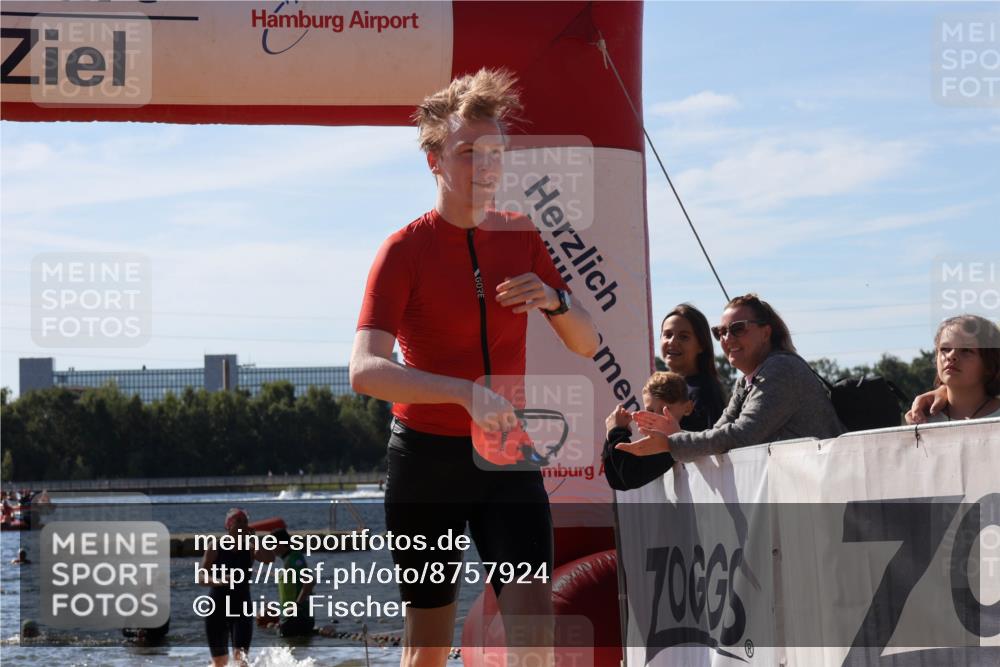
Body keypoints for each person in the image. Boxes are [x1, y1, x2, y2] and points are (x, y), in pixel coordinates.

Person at [350, 68, 599, 667]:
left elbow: (587, 343)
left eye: (494, 153)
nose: (485, 166)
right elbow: (365, 369)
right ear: (434, 160)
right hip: (426, 463)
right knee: (429, 649)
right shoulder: (403, 250)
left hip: (506, 456)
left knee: (535, 640)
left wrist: (554, 299)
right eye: (468, 153)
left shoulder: (521, 236)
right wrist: (464, 393)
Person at [619, 294, 843, 461]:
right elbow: (717, 434)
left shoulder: (782, 368)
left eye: (737, 329)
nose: (727, 338)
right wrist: (674, 435)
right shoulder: (744, 381)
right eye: (721, 332)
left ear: (766, 333)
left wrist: (671, 442)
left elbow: (742, 435)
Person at [198, 508, 273, 667]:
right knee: (220, 661)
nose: (243, 525)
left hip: (241, 607)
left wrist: (255, 540)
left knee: (241, 659)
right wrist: (220, 581)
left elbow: (269, 559)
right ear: (228, 525)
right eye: (238, 521)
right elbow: (201, 577)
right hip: (217, 608)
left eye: (245, 522)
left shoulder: (250, 547)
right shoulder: (215, 546)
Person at [603, 372, 691, 490]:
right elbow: (617, 481)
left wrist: (616, 432)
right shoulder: (660, 441)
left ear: (687, 408)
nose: (656, 416)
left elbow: (631, 477)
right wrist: (610, 436)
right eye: (650, 410)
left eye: (665, 409)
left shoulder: (676, 441)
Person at [905, 315, 1000, 423]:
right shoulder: (923, 419)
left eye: (966, 350)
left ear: (989, 365)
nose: (951, 355)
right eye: (945, 349)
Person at [660, 303, 726, 431]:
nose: (672, 341)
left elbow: (715, 439)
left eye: (683, 337)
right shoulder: (663, 388)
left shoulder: (705, 391)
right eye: (668, 334)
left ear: (701, 345)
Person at [270, 527, 316, 638]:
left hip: (298, 617)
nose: (271, 547)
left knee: (291, 646)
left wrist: (296, 605)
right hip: (289, 616)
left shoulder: (295, 558)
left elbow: (310, 581)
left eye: (272, 544)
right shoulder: (286, 559)